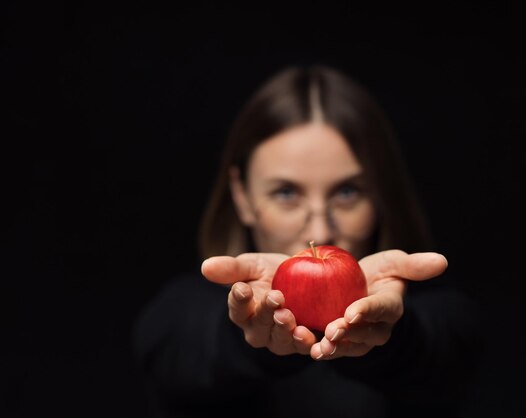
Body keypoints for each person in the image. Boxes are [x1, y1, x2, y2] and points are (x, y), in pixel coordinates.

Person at [132, 65, 483, 418]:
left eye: (348, 192)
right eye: (286, 193)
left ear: (380, 196)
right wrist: (250, 333)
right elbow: (175, 354)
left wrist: (386, 335)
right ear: (241, 195)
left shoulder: (439, 319)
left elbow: (451, 356)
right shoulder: (183, 316)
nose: (320, 229)